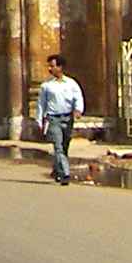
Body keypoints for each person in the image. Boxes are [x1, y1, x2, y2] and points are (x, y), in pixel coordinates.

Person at [34, 54, 85, 185]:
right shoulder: (47, 86)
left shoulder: (71, 83)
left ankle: (57, 170)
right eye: (49, 66)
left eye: (53, 66)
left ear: (60, 67)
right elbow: (41, 104)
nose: (50, 69)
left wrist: (78, 110)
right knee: (58, 147)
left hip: (67, 118)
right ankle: (66, 174)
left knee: (64, 146)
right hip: (53, 119)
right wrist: (39, 120)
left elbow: (78, 97)